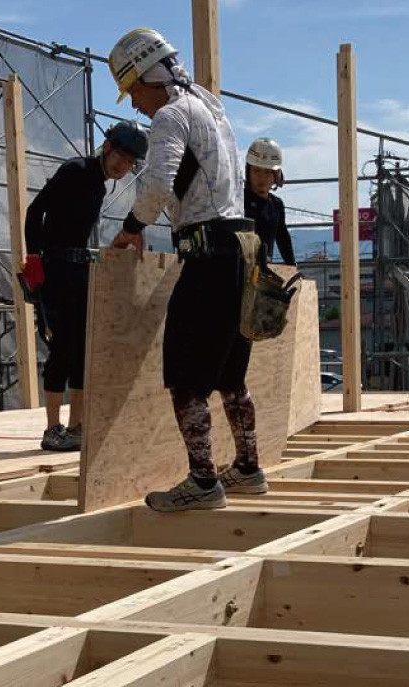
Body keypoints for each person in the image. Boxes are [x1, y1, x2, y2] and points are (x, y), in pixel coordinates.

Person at [107, 27, 268, 511]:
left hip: (208, 253)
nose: (135, 105)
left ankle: (202, 482)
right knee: (230, 374)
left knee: (185, 375)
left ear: (150, 77)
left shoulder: (172, 116)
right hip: (242, 249)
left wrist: (132, 226)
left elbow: (158, 184)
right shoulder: (212, 110)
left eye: (133, 91)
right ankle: (247, 468)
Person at [24, 120, 147, 451]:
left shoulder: (98, 182)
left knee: (82, 350)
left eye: (130, 162)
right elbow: (35, 211)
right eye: (121, 156)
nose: (123, 166)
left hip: (78, 269)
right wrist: (34, 258)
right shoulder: (77, 170)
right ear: (107, 148)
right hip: (56, 268)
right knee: (62, 348)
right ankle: (52, 428)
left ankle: (77, 425)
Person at [243, 137, 295, 266]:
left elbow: (283, 238)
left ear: (276, 176)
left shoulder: (276, 204)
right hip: (240, 269)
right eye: (257, 170)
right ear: (248, 172)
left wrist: (292, 266)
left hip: (265, 269)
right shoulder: (239, 199)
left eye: (268, 172)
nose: (262, 177)